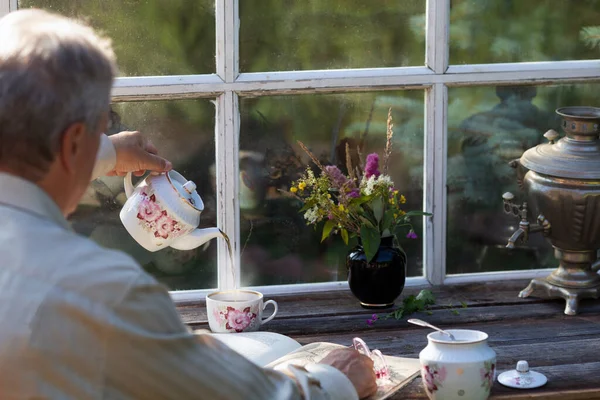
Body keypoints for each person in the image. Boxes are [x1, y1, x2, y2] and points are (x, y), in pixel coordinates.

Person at [0, 9, 377, 400]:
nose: (106, 134)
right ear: (75, 141)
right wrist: (334, 380)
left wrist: (108, 151)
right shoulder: (100, 293)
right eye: (103, 123)